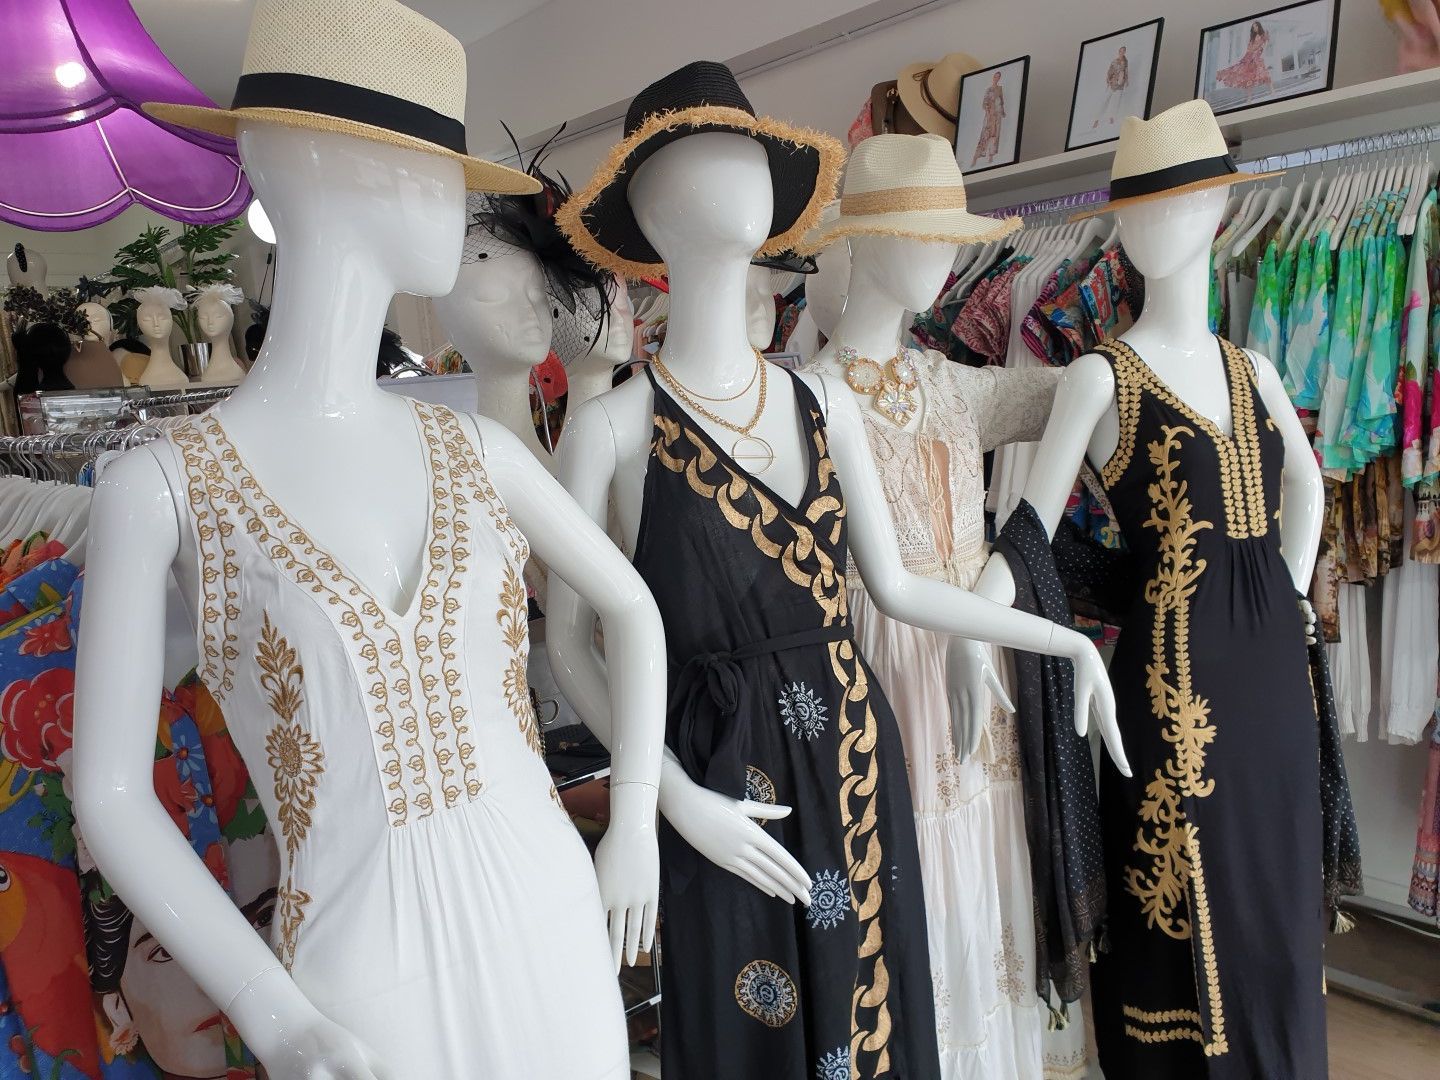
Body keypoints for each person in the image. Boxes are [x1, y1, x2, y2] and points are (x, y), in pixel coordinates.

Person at [1216, 20, 1273, 103]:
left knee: (1265, 74)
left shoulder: (1263, 35)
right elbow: (1249, 49)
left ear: (1259, 26)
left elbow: (1265, 45)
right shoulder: (1252, 39)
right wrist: (1247, 58)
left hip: (1258, 58)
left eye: (1256, 26)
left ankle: (1272, 91)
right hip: (1250, 59)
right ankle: (1249, 98)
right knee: (1248, 77)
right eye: (1253, 27)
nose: (1255, 28)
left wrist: (1261, 51)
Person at [972, 70, 1006, 166]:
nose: (996, 78)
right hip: (990, 115)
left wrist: (1003, 112)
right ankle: (976, 157)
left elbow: (1002, 101)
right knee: (985, 135)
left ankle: (991, 156)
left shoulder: (1000, 89)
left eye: (998, 77)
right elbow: (984, 104)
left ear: (999, 78)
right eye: (995, 76)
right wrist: (988, 113)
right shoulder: (988, 90)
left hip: (997, 116)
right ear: (993, 77)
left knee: (995, 135)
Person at [1093, 45, 1129, 130]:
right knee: (1104, 101)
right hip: (1112, 83)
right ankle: (1097, 119)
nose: (1122, 52)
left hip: (1120, 85)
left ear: (1125, 52)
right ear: (1118, 51)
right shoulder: (1114, 62)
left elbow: (1126, 71)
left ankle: (1112, 117)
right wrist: (1109, 80)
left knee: (1116, 102)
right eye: (1121, 51)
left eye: (1124, 51)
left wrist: (1127, 81)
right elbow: (1109, 72)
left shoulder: (1126, 61)